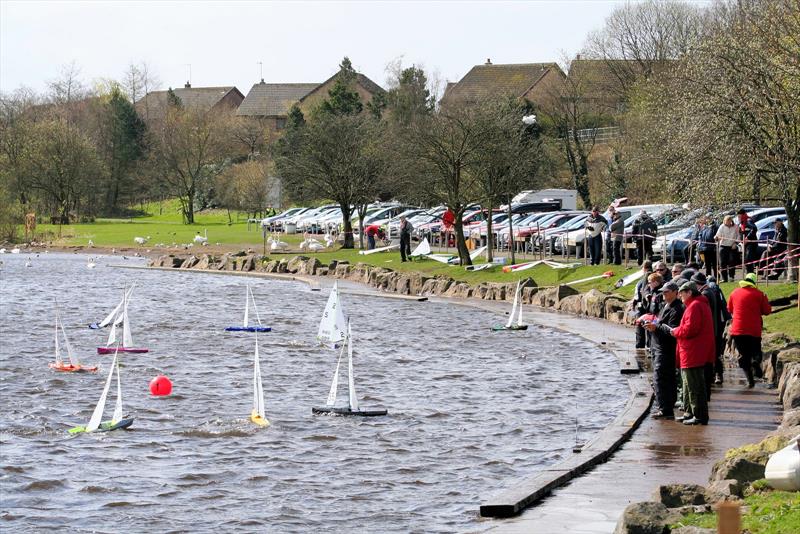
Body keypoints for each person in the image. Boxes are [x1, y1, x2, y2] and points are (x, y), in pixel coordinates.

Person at [670, 281, 715, 425]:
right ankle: (689, 411)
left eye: (681, 293)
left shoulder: (695, 306)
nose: (680, 296)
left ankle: (699, 415)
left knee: (694, 386)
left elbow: (690, 329)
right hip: (692, 352)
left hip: (693, 353)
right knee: (688, 385)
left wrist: (674, 331)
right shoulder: (697, 304)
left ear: (689, 292)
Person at [644, 281, 685, 419]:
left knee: (661, 377)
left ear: (675, 292)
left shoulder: (677, 309)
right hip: (659, 346)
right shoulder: (666, 305)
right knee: (666, 378)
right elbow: (661, 323)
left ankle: (665, 408)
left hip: (667, 348)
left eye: (666, 292)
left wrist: (656, 328)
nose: (663, 294)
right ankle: (667, 406)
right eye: (663, 291)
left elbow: (672, 329)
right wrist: (652, 324)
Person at [728, 273, 772, 388]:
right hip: (754, 330)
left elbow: (729, 309)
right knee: (756, 352)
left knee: (743, 355)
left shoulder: (734, 293)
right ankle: (756, 362)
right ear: (754, 282)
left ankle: (750, 381)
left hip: (738, 330)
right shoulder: (760, 294)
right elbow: (767, 311)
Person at [692, 272, 726, 395]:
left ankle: (713, 377)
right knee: (713, 354)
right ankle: (715, 375)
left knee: (711, 356)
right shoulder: (710, 292)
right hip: (715, 328)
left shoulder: (705, 294)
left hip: (710, 330)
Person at [630, 260, 654, 349]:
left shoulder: (642, 280)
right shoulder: (654, 277)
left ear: (643, 268)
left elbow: (637, 295)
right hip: (651, 307)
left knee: (640, 327)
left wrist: (633, 304)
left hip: (642, 307)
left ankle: (640, 346)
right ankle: (649, 345)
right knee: (649, 327)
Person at [715, 215, 738, 283]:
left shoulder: (735, 227)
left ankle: (731, 277)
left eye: (728, 221)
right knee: (722, 263)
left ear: (731, 221)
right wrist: (717, 238)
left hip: (732, 246)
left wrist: (735, 243)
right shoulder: (722, 226)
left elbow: (738, 236)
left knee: (732, 262)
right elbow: (717, 235)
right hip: (723, 246)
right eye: (725, 221)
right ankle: (724, 278)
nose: (726, 222)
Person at [737, 208, 759, 274]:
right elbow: (741, 232)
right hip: (745, 244)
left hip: (751, 243)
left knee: (748, 258)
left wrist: (747, 238)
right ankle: (749, 272)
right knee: (746, 259)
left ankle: (750, 272)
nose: (738, 218)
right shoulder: (741, 223)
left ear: (743, 215)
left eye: (739, 216)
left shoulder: (748, 220)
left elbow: (754, 229)